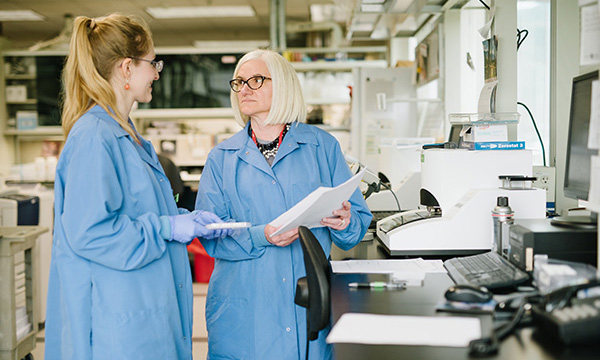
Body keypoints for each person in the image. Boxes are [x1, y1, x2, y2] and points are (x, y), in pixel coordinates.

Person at [44, 14, 229, 360]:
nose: (157, 73)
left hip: (142, 311)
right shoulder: (95, 138)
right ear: (126, 68)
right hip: (116, 322)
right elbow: (91, 233)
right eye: (152, 63)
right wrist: (167, 227)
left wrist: (183, 219)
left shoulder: (127, 136)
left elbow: (137, 213)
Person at [195, 49, 373, 359]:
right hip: (245, 313)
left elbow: (356, 226)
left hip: (307, 306)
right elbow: (210, 234)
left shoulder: (322, 146)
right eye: (239, 82)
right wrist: (261, 234)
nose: (245, 89)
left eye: (256, 80)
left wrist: (345, 221)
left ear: (284, 86)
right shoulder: (221, 158)